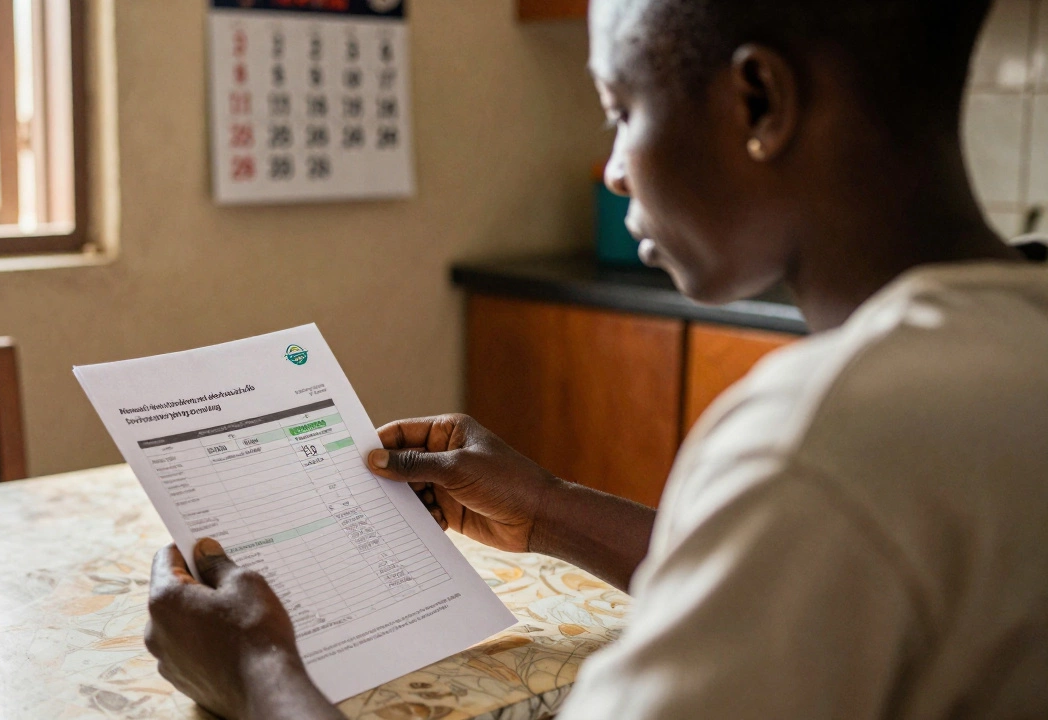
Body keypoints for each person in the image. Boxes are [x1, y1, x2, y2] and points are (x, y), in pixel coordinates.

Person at [143, 0, 1048, 716]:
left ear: (759, 103)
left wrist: (260, 674)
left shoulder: (824, 439)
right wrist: (548, 510)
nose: (614, 169)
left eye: (621, 110)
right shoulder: (1009, 348)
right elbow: (834, 583)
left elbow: (819, 519)